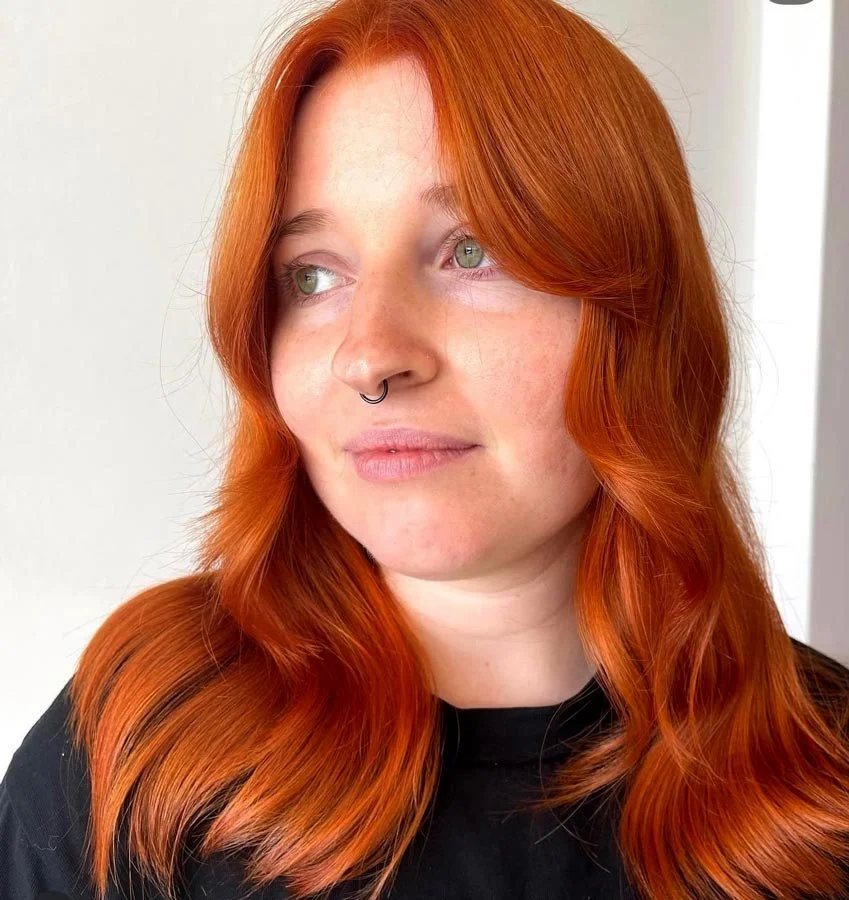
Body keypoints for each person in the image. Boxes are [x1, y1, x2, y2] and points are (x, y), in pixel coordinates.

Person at [4, 1, 849, 898]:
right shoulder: (140, 742)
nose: (369, 356)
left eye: (472, 252)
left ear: (640, 316)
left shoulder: (821, 783)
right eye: (312, 275)